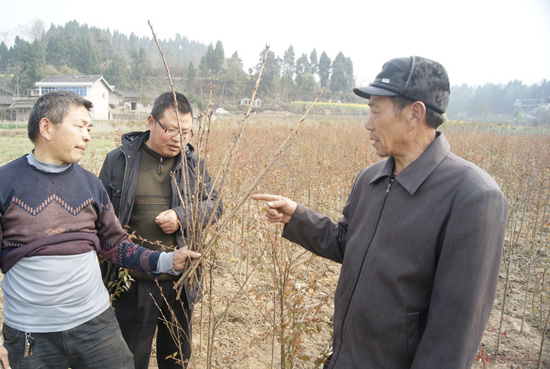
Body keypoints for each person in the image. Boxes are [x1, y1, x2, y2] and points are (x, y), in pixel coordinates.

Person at [253, 56, 507, 369]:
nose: (368, 123)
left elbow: (453, 337)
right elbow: (348, 244)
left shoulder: (471, 196)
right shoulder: (371, 179)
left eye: (375, 109)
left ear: (415, 114)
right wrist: (298, 216)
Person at [0, 90, 202, 369]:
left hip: (94, 324)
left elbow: (116, 246)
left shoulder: (89, 185)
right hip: (31, 334)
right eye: (80, 126)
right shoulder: (6, 184)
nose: (87, 136)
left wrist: (167, 259)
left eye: (89, 128)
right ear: (46, 128)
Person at [99, 91, 223, 369]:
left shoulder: (193, 166)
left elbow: (216, 205)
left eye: (187, 132)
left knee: (176, 358)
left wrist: (183, 216)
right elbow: (100, 216)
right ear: (151, 121)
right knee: (131, 357)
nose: (179, 138)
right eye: (171, 130)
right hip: (133, 282)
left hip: (179, 283)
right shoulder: (119, 161)